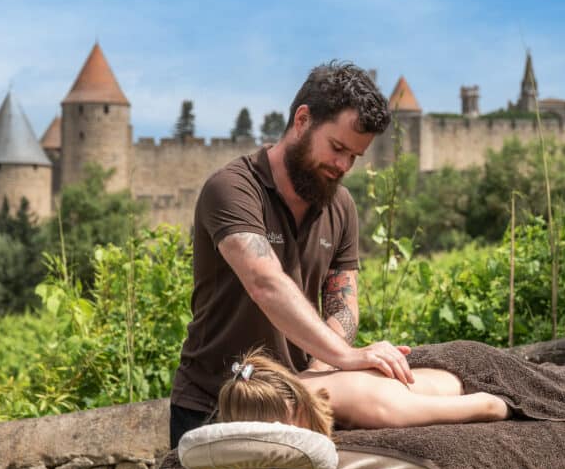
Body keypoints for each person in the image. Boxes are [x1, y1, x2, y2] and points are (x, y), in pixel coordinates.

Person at [169, 62, 415, 448]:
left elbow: (343, 304)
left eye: (354, 157)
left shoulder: (341, 206)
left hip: (296, 407)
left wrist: (317, 373)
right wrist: (347, 357)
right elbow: (264, 283)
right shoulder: (232, 188)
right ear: (303, 120)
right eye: (337, 148)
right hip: (212, 406)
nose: (343, 166)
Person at [217, 348, 509, 434]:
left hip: (478, 372)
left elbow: (490, 405)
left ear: (299, 410)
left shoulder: (376, 406)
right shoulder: (290, 384)